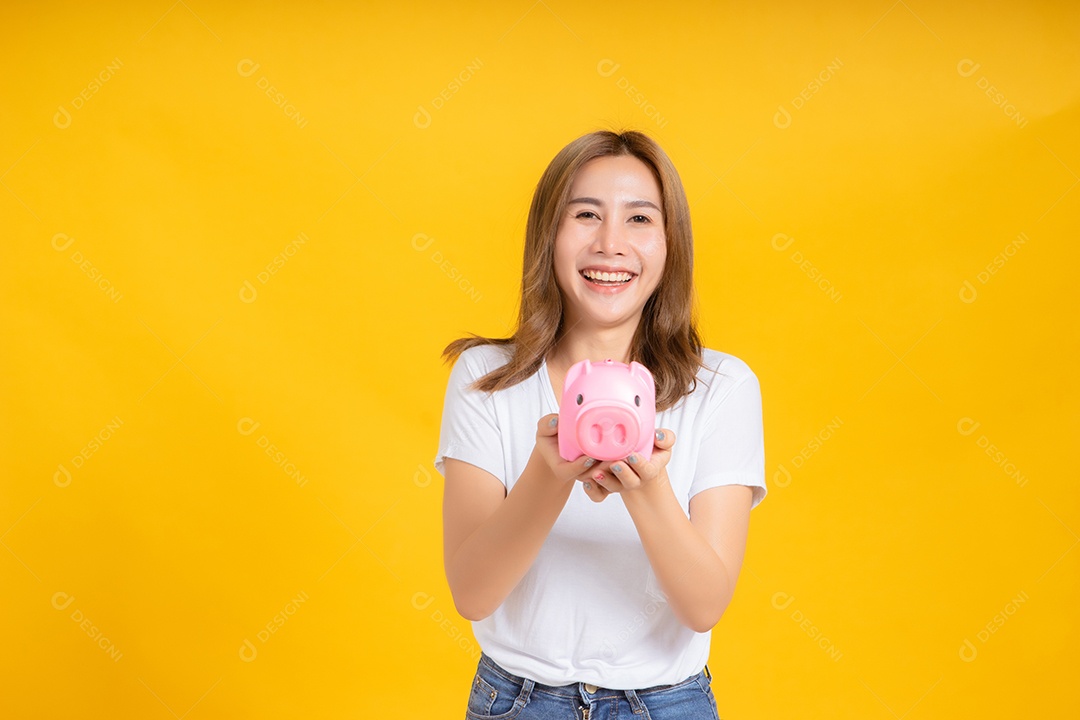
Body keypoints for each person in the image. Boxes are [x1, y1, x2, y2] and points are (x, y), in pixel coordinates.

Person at [433, 129, 766, 719]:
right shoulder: (486, 377)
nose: (611, 244)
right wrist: (547, 474)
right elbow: (473, 593)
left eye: (640, 218)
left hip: (670, 703)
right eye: (586, 214)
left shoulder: (721, 387)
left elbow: (704, 605)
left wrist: (649, 488)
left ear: (670, 244)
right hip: (518, 701)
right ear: (549, 235)